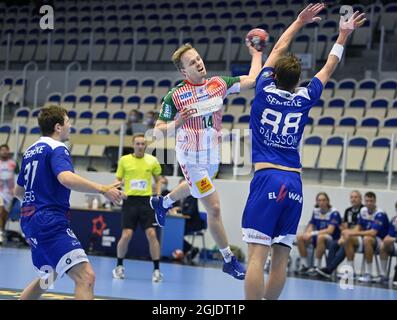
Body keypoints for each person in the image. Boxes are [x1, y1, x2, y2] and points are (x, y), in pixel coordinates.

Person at [241, 4, 366, 299]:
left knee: (257, 257)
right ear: (297, 82)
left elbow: (279, 48)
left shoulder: (263, 89)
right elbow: (329, 67)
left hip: (267, 179)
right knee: (281, 259)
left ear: (273, 76)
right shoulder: (304, 98)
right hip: (294, 185)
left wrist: (298, 23)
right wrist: (343, 35)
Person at [150, 37, 264, 279]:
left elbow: (252, 81)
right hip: (191, 157)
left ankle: (164, 202)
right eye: (192, 62)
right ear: (183, 70)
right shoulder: (176, 96)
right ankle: (228, 259)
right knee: (213, 208)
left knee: (194, 188)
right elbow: (157, 130)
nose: (199, 63)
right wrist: (177, 122)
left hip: (212, 154)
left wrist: (256, 54)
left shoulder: (218, 83)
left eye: (199, 58)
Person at [14, 106, 123, 300]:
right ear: (58, 127)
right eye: (67, 122)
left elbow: (18, 191)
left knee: (47, 277)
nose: (70, 126)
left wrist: (37, 204)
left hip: (29, 220)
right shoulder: (57, 148)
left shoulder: (30, 151)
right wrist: (102, 189)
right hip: (50, 221)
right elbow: (65, 178)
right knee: (86, 276)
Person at [112, 134, 164, 282]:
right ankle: (119, 266)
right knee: (126, 235)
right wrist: (116, 191)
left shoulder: (152, 161)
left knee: (152, 235)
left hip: (146, 202)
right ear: (133, 145)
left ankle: (156, 270)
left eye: (143, 144)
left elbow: (159, 179)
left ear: (145, 145)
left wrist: (158, 196)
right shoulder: (124, 160)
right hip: (130, 202)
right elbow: (118, 179)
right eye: (138, 144)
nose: (140, 146)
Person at [342, 191, 389, 283]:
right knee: (348, 239)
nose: (369, 203)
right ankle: (350, 271)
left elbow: (373, 233)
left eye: (371, 201)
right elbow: (358, 227)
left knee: (367, 239)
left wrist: (353, 233)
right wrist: (348, 233)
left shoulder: (380, 214)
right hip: (365, 238)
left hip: (380, 241)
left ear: (375, 201)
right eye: (367, 201)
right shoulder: (363, 211)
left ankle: (368, 273)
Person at [317, 190, 363, 279]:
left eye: (356, 197)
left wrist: (347, 234)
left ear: (360, 199)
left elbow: (359, 228)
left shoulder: (363, 210)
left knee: (345, 243)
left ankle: (329, 270)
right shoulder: (348, 210)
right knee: (334, 244)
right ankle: (329, 269)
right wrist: (343, 234)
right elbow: (344, 226)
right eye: (352, 197)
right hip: (347, 236)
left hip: (359, 237)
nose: (353, 199)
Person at [296, 192, 342, 275]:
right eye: (319, 200)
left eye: (323, 200)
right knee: (300, 237)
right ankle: (304, 265)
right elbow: (311, 225)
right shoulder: (316, 211)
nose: (321, 202)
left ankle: (317, 267)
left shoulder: (334, 212)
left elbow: (330, 230)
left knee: (321, 237)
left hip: (331, 239)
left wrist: (312, 233)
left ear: (328, 201)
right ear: (316, 202)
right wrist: (307, 233)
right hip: (316, 236)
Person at [0, 144, 18, 245]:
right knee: (0, 208)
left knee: (4, 214)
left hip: (9, 193)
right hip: (0, 191)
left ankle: (2, 231)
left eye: (5, 150)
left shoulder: (13, 163)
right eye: (2, 150)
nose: (4, 152)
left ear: (8, 151)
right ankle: (0, 233)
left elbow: (20, 175)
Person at [378, 202, 397, 284]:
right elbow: (390, 234)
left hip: (395, 241)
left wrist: (393, 239)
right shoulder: (394, 219)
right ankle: (383, 275)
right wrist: (387, 239)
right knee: (383, 245)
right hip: (395, 244)